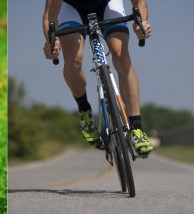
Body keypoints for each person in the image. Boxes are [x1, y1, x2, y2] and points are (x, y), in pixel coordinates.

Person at [42, 0, 153, 155]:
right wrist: (50, 43)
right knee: (74, 60)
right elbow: (50, 16)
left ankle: (136, 129)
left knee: (121, 57)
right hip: (72, 7)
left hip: (108, 4)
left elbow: (140, 3)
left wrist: (141, 23)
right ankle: (84, 109)